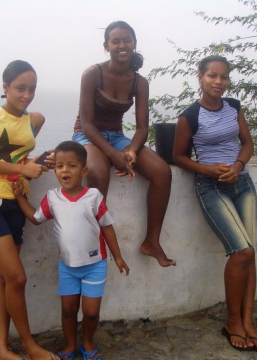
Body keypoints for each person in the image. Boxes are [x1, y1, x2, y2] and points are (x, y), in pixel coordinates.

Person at [173, 55, 257, 353]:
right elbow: (178, 157)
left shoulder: (234, 107)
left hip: (243, 184)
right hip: (211, 186)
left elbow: (248, 143)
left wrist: (239, 166)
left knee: (250, 253)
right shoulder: (189, 116)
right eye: (212, 76)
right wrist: (208, 169)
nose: (218, 81)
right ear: (200, 77)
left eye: (224, 76)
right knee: (242, 251)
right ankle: (232, 321)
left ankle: (248, 320)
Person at [0, 60, 58, 360]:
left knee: (4, 278)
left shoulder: (36, 120)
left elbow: (21, 160)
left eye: (31, 89)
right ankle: (30, 346)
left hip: (14, 200)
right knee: (16, 277)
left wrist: (42, 161)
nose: (27, 95)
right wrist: (20, 169)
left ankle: (1, 349)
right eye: (20, 88)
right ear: (5, 87)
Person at [72, 20, 176, 267]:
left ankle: (151, 241)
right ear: (106, 46)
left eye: (127, 40)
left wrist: (130, 150)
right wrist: (113, 155)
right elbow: (86, 123)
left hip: (117, 136)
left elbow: (141, 128)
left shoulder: (139, 82)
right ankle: (92, 243)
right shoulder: (92, 74)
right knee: (97, 172)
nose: (122, 45)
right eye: (115, 40)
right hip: (88, 135)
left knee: (162, 171)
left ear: (134, 44)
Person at [13, 140, 130, 360]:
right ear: (55, 170)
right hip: (67, 266)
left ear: (83, 170)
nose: (65, 170)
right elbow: (36, 218)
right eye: (59, 166)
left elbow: (107, 227)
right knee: (68, 310)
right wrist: (19, 197)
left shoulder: (94, 196)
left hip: (96, 264)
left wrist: (118, 256)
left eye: (72, 165)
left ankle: (87, 342)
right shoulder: (52, 198)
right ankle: (69, 345)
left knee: (91, 312)